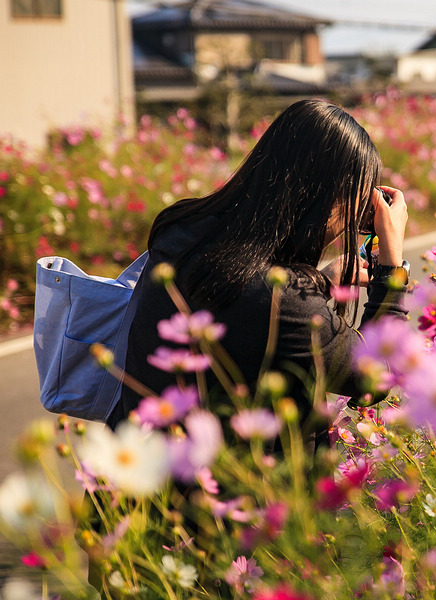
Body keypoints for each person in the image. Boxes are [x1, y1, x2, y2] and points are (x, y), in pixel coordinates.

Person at [104, 99, 410, 436]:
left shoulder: (182, 227)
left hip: (132, 470)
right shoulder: (286, 301)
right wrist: (391, 266)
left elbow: (240, 321)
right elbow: (373, 378)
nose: (354, 224)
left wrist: (320, 283)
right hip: (221, 484)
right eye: (364, 211)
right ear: (328, 198)